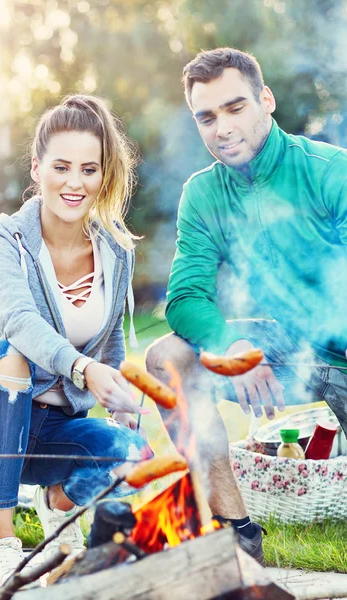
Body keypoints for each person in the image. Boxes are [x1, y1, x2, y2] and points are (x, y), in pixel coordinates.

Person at [146, 47, 347, 565]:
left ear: (266, 100)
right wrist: (231, 345)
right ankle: (235, 532)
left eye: (235, 108)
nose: (222, 129)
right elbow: (186, 297)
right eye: (206, 117)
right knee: (168, 357)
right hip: (281, 347)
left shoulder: (329, 171)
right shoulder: (204, 194)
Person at [0, 94, 152, 590]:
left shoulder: (115, 249)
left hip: (59, 429)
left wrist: (121, 399)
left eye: (89, 169)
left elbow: (110, 348)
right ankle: (0, 543)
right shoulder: (3, 243)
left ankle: (54, 498)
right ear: (37, 168)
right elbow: (19, 322)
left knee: (133, 454)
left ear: (103, 175)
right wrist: (83, 370)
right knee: (12, 353)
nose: (74, 182)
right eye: (61, 166)